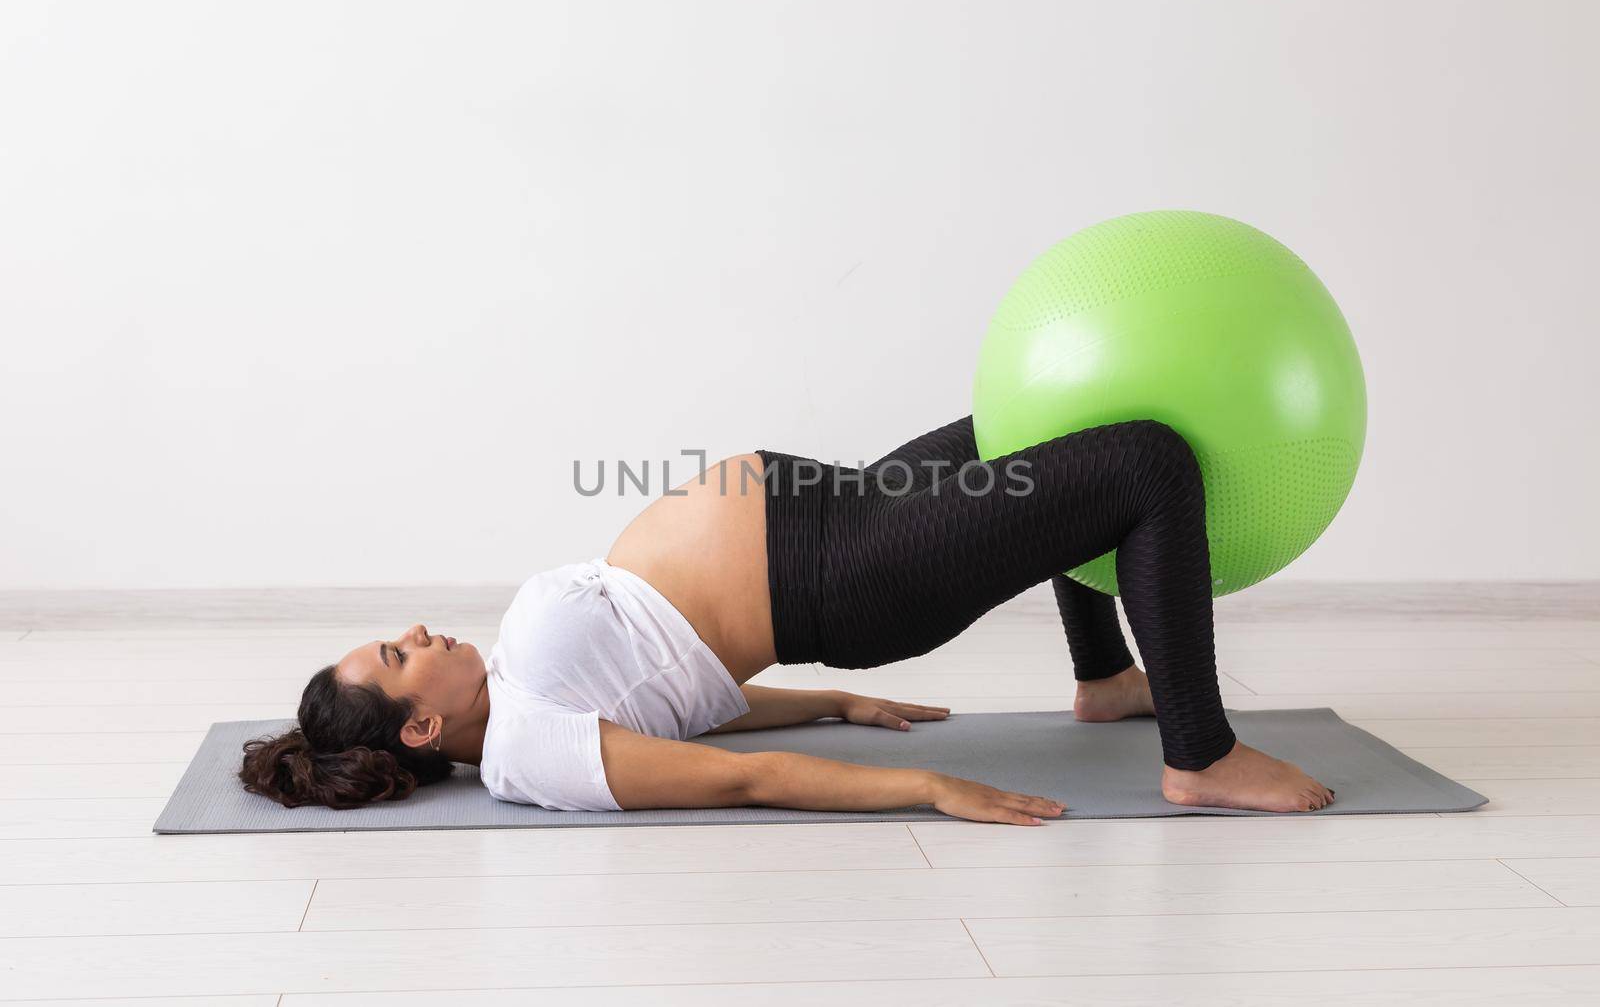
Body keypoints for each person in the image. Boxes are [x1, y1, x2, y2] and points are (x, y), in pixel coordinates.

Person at [240, 415, 1334, 820]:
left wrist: (831, 701)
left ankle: (1106, 679)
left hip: (842, 509)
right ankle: (1201, 751)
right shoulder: (527, 751)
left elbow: (678, 704)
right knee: (1141, 460)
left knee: (1045, 421)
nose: (420, 631)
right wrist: (924, 786)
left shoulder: (528, 704)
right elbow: (729, 777)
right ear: (420, 725)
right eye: (399, 653)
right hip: (846, 571)